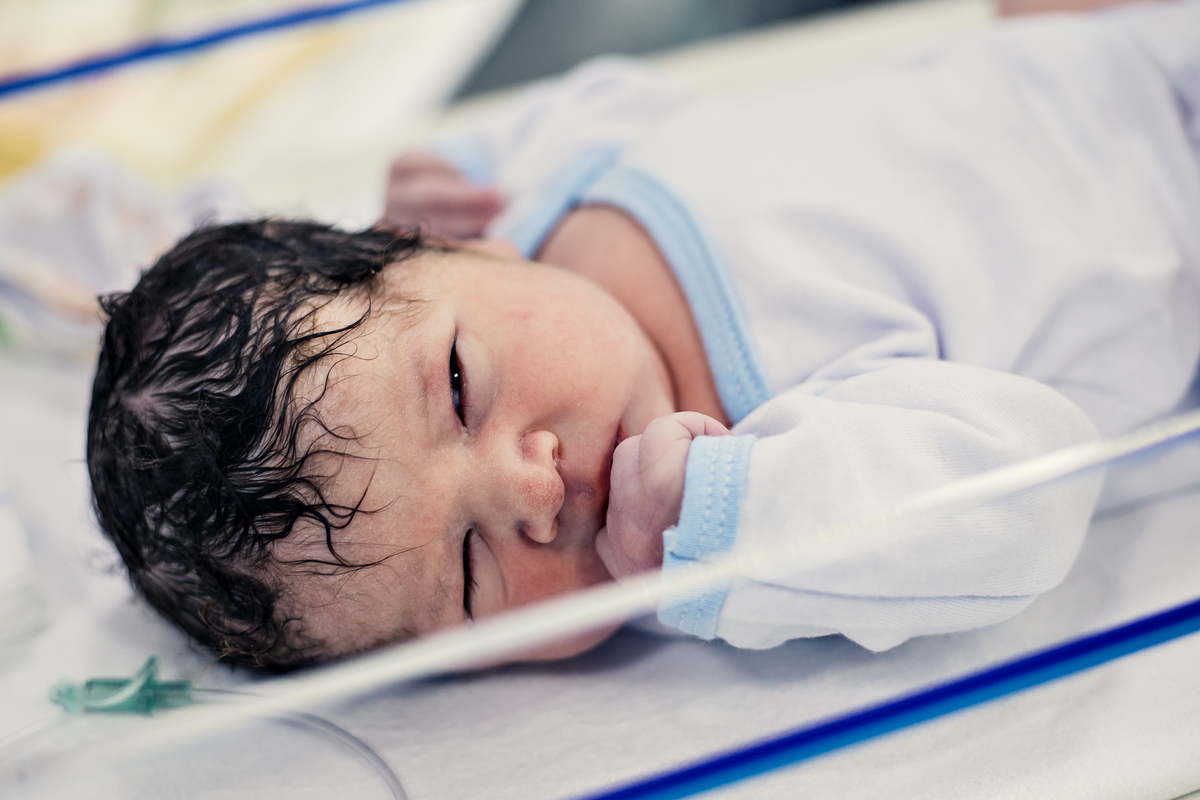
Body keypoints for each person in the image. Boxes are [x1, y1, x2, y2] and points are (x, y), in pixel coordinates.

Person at [88, 0, 1200, 669]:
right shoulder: (753, 467)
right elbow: (1024, 493)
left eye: (463, 388)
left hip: (1101, 58)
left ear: (441, 248)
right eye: (472, 572)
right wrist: (748, 528)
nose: (531, 494)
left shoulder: (542, 188)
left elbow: (607, 92)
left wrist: (465, 168)